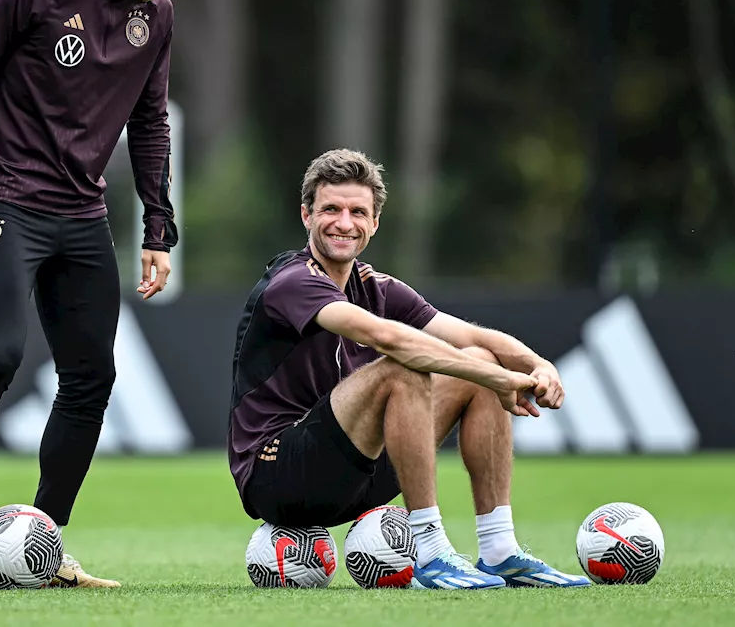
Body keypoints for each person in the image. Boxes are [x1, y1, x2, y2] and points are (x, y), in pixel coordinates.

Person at [0, 0, 210, 587]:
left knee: (92, 378)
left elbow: (151, 122)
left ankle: (42, 541)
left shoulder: (159, 17)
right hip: (4, 198)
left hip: (83, 214)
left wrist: (158, 225)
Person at [228, 149, 590, 589]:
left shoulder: (375, 286)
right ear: (306, 215)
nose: (344, 222)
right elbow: (390, 340)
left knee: (477, 361)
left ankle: (500, 552)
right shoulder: (292, 282)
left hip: (353, 474)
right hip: (278, 474)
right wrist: (499, 380)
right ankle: (432, 553)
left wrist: (538, 364)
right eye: (331, 210)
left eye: (358, 212)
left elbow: (473, 338)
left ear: (374, 223)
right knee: (405, 368)